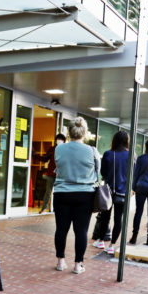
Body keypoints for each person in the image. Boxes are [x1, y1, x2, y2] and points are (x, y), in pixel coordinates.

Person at [53, 117, 99, 275]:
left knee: (61, 229)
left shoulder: (59, 149)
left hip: (61, 193)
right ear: (84, 132)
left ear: (69, 131)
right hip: (84, 195)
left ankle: (60, 262)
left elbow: (58, 167)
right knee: (81, 231)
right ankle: (78, 265)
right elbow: (98, 173)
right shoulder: (91, 150)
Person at [95, 131, 130, 254]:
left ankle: (100, 241)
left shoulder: (108, 154)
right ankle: (112, 245)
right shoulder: (131, 155)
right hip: (123, 193)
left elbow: (103, 172)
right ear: (127, 141)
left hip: (109, 191)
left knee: (105, 217)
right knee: (118, 219)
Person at [35, 133, 64, 213]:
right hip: (51, 174)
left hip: (61, 175)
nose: (59, 141)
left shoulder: (65, 150)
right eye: (58, 139)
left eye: (61, 139)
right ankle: (44, 207)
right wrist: (35, 155)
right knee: (48, 191)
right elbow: (45, 158)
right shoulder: (52, 149)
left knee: (59, 192)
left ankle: (57, 208)